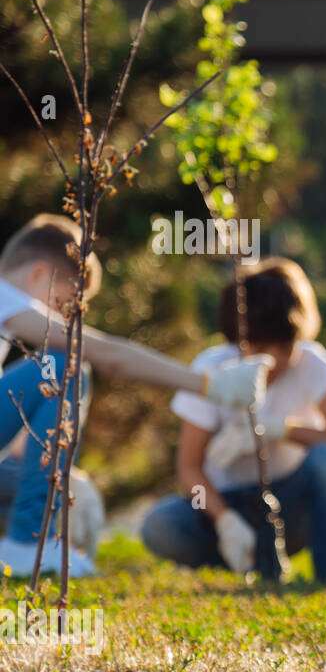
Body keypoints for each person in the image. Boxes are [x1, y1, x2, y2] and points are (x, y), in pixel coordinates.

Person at [0, 214, 270, 577]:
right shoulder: (5, 297)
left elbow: (19, 426)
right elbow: (110, 355)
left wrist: (62, 476)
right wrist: (208, 385)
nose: (57, 318)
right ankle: (28, 542)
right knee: (66, 364)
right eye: (59, 305)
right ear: (37, 275)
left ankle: (33, 535)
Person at [141, 258, 326, 588]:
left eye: (284, 346)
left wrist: (283, 430)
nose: (274, 360)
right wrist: (224, 520)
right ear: (237, 340)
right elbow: (189, 468)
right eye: (261, 347)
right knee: (161, 525)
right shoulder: (212, 368)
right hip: (231, 504)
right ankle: (238, 554)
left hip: (292, 506)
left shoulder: (312, 364)